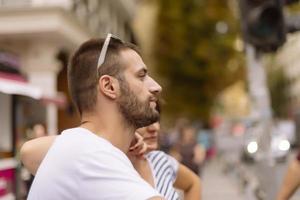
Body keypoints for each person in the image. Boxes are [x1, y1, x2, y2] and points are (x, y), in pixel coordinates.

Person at [22, 33, 164, 200]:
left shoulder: (80, 148)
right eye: (141, 76)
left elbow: (28, 152)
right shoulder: (93, 156)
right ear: (109, 86)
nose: (157, 87)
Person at [21, 121, 201, 200]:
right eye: (147, 121)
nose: (155, 128)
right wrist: (103, 139)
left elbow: (193, 183)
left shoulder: (161, 161)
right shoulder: (101, 161)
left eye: (157, 120)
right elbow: (29, 152)